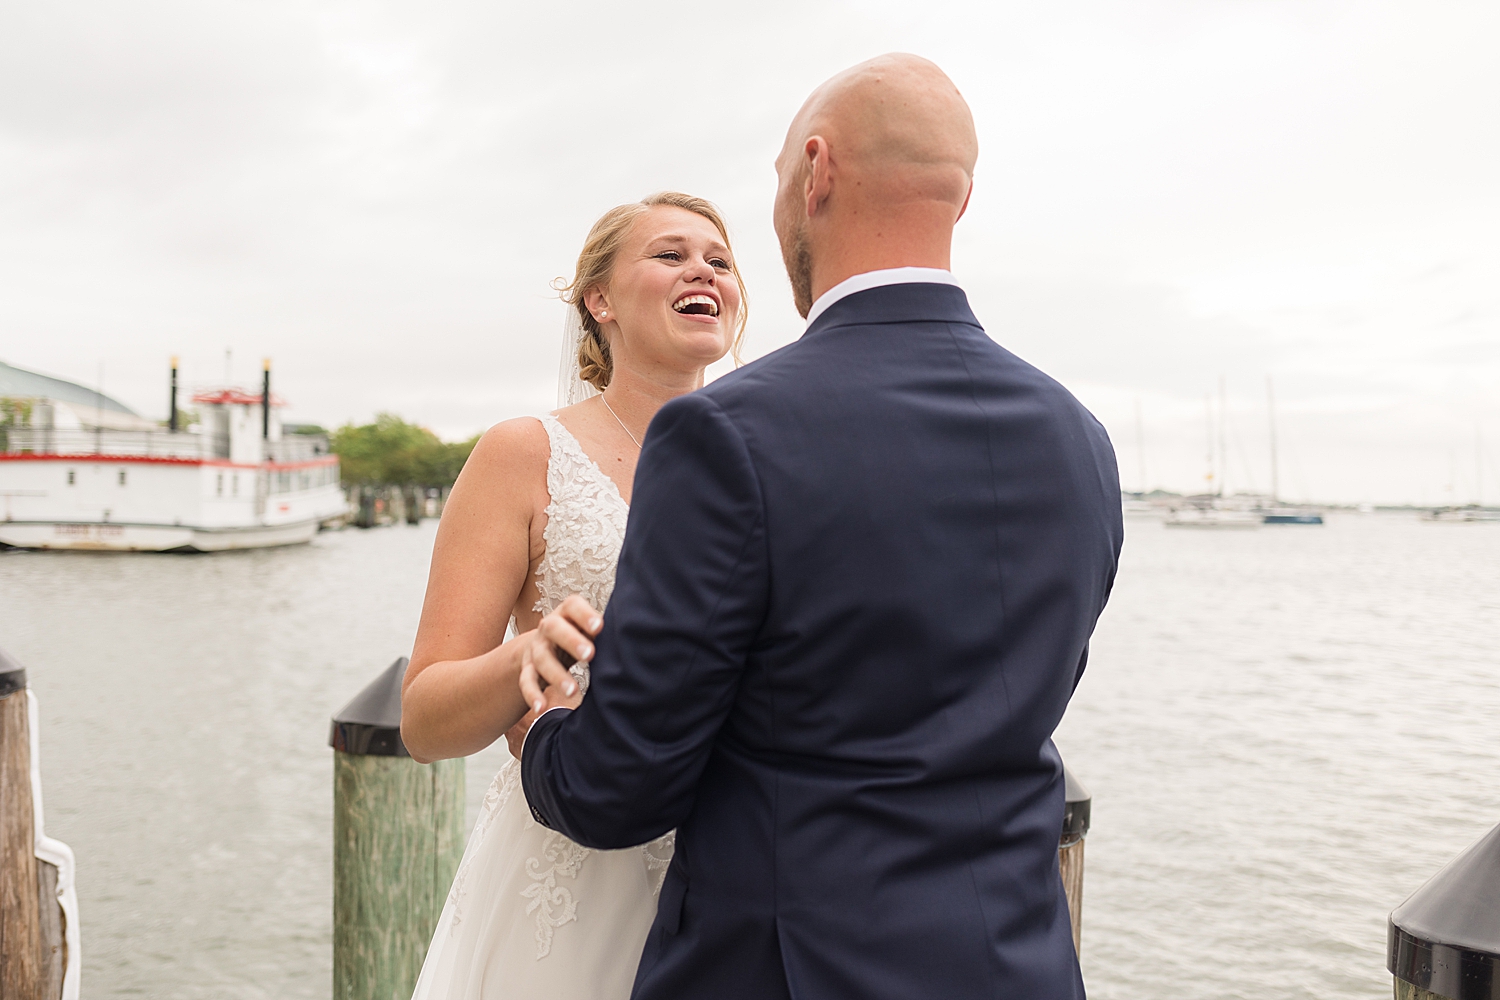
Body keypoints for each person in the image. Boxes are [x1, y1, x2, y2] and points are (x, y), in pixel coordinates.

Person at [519, 53, 1124, 999]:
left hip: (788, 970)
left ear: (817, 172)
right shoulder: (1080, 441)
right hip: (1017, 965)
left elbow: (617, 786)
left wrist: (545, 724)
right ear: (956, 202)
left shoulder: (725, 433)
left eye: (775, 185)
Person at [399, 191, 747, 999]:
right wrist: (524, 659)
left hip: (729, 870)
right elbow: (423, 719)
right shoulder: (524, 453)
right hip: (566, 869)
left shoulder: (771, 453)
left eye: (720, 261)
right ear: (599, 300)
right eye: (670, 254)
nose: (702, 269)